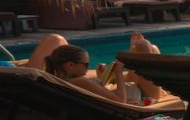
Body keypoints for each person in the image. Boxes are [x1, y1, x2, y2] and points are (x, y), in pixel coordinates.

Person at [28, 32, 164, 102]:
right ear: (70, 65)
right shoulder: (79, 81)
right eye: (86, 65)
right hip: (143, 97)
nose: (87, 69)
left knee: (151, 48)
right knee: (145, 46)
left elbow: (101, 92)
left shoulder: (62, 80)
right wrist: (117, 72)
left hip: (136, 90)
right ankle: (136, 53)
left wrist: (102, 78)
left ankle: (136, 54)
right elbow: (119, 99)